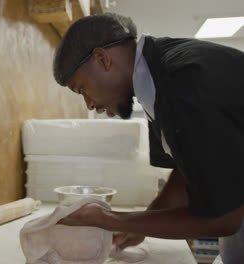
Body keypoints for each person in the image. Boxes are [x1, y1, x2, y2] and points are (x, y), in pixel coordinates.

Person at [52, 12, 244, 263]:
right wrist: (139, 225)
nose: (88, 104)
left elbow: (223, 218)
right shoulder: (156, 79)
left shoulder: (184, 84)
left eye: (81, 89)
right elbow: (185, 174)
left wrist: (110, 219)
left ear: (102, 59)